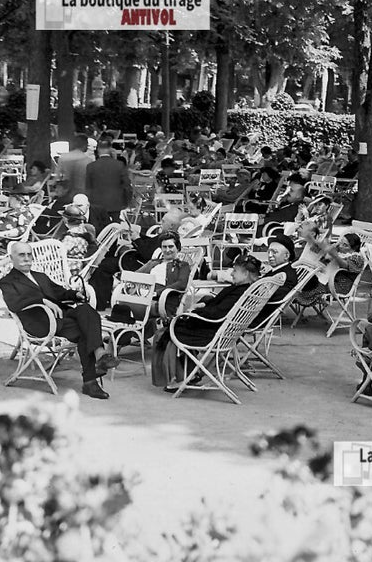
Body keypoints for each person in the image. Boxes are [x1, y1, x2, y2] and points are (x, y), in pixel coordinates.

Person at [0, 240, 118, 399]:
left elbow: (60, 292)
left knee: (86, 310)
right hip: (40, 321)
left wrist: (75, 295)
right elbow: (14, 304)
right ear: (11, 258)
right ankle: (94, 372)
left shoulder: (40, 276)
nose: (27, 258)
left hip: (61, 316)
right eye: (21, 255)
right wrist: (41, 301)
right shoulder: (7, 282)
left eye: (29, 254)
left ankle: (98, 359)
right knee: (86, 331)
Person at [153, 254, 263, 388]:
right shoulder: (243, 289)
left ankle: (181, 377)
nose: (231, 274)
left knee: (172, 329)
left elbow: (218, 313)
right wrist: (203, 306)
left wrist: (193, 313)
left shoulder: (240, 292)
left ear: (245, 274)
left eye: (235, 270)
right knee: (174, 327)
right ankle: (188, 373)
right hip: (224, 332)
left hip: (213, 334)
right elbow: (220, 306)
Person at [85, 142, 133, 232]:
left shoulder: (91, 166)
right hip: (115, 202)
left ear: (98, 150)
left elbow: (88, 188)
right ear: (110, 149)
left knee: (98, 230)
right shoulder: (119, 165)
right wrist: (127, 202)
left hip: (96, 204)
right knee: (115, 230)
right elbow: (127, 185)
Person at [56, 133, 92, 200]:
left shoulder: (63, 157)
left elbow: (58, 176)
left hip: (65, 191)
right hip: (82, 193)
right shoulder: (88, 160)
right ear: (85, 144)